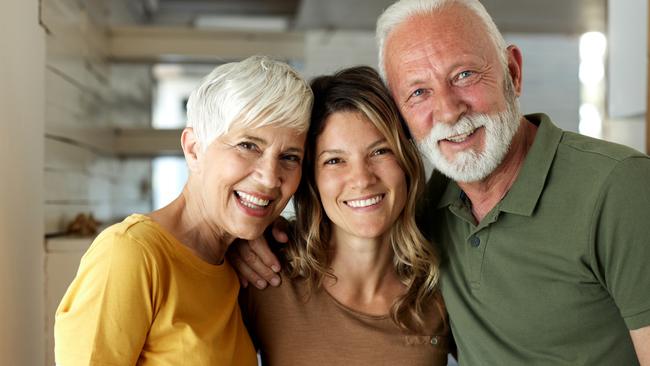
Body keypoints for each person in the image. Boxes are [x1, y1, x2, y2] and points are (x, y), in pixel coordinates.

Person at [231, 1, 650, 365]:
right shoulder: (435, 211)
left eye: (465, 74)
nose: (448, 112)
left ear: (513, 72)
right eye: (418, 92)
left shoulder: (620, 187)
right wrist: (248, 232)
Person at [54, 55, 313, 366]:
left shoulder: (237, 261)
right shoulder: (129, 254)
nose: (270, 177)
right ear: (194, 149)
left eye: (289, 157)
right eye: (248, 145)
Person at [240, 66, 450, 365]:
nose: (362, 179)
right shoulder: (266, 274)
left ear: (407, 163)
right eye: (335, 160)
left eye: (380, 152)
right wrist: (236, 238)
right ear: (312, 177)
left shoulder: (441, 286)